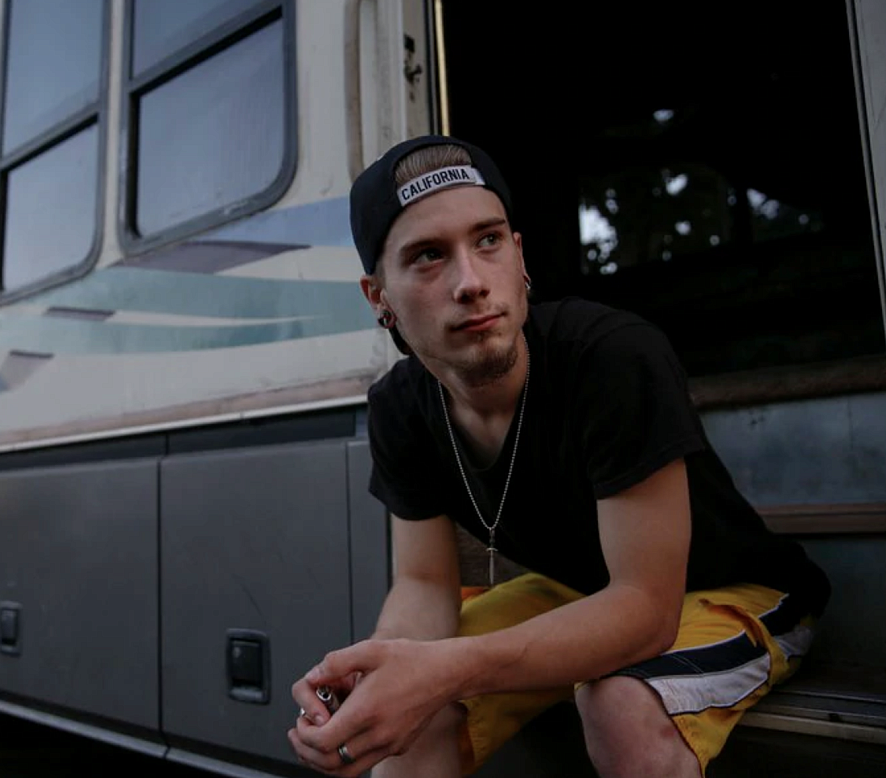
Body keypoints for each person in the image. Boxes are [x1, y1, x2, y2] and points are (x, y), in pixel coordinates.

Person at [287, 135, 831, 778]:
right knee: (407, 719)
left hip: (727, 588)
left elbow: (644, 611)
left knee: (621, 702)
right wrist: (372, 686)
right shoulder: (399, 407)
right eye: (429, 256)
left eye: (487, 241)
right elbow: (425, 583)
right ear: (378, 297)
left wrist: (442, 670)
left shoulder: (612, 357)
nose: (470, 282)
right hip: (576, 591)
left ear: (518, 257)